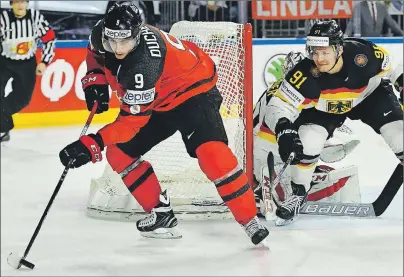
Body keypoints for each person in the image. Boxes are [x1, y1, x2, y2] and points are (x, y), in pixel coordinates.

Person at [58, 2, 269, 245]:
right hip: (158, 98)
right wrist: (94, 78)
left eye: (124, 41)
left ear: (137, 35)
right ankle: (160, 213)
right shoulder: (102, 31)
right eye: (112, 41)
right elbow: (94, 53)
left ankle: (249, 219)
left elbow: (132, 123)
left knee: (213, 155)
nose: (117, 48)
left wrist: (94, 143)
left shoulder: (143, 65)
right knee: (118, 153)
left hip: (192, 92)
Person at [260, 20, 403, 226]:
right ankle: (298, 192)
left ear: (339, 48)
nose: (319, 59)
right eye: (315, 52)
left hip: (369, 96)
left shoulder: (363, 55)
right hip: (327, 107)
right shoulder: (304, 73)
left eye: (325, 52)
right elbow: (278, 105)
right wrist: (284, 129)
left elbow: (394, 66)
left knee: (400, 137)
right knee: (308, 140)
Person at [253, 51, 361, 224]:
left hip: (260, 151)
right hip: (269, 152)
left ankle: (268, 188)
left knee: (307, 152)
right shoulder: (289, 92)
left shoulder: (279, 89)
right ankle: (273, 192)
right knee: (310, 157)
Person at [0, 0, 56, 142]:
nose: (20, 5)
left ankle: (2, 121)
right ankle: (3, 128)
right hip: (4, 62)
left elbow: (49, 38)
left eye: (23, 1)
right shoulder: (3, 19)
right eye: (16, 2)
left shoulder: (36, 18)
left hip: (27, 63)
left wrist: (44, 61)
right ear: (11, 4)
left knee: (23, 100)